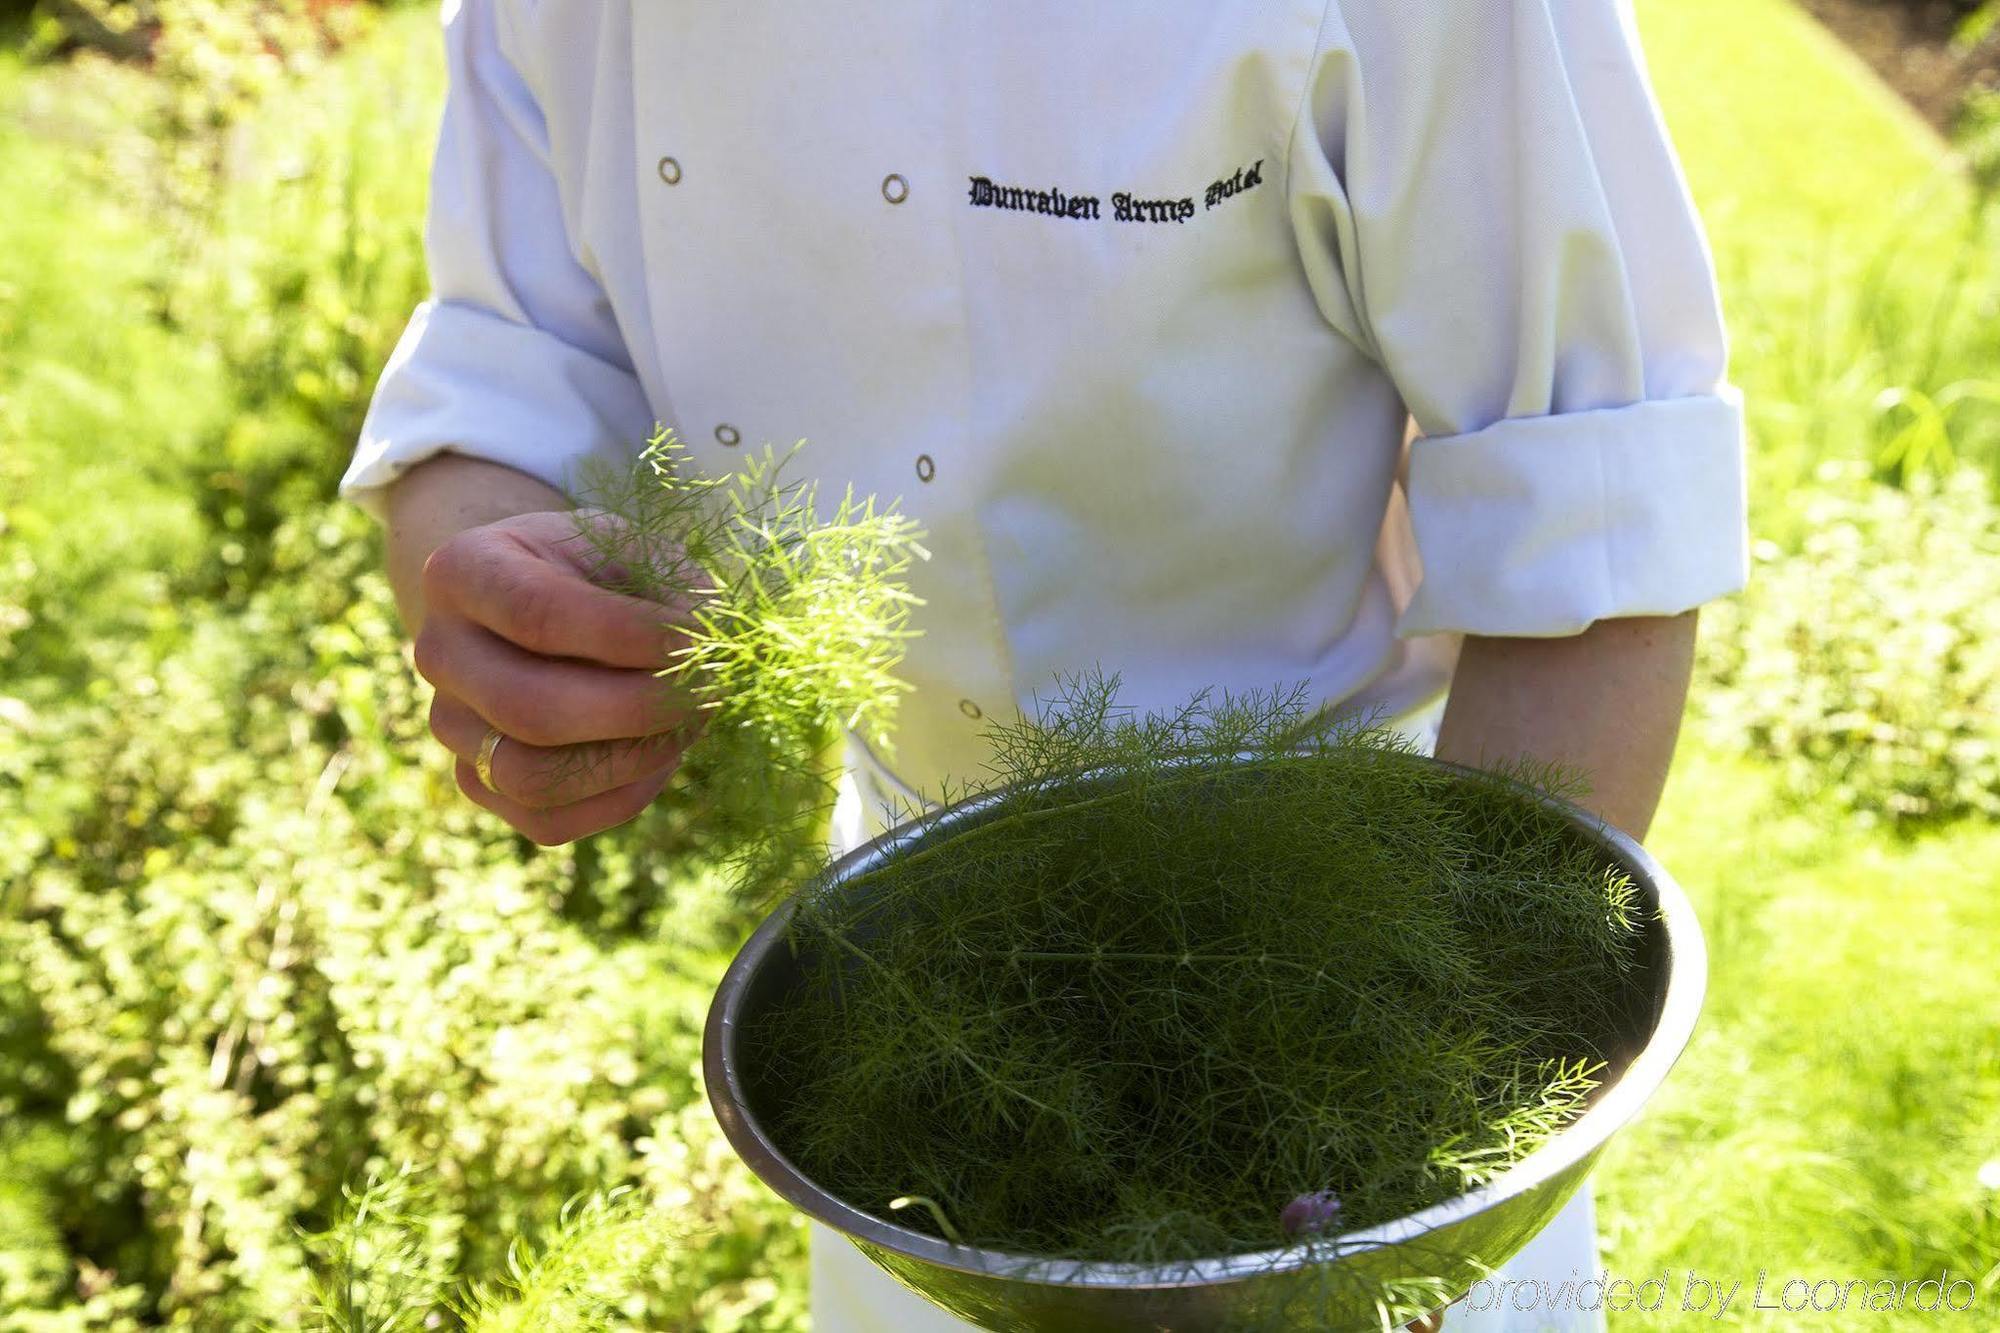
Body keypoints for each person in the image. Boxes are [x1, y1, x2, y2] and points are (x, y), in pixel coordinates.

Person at [341, 2, 1749, 1329]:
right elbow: (514, 351)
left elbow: (1594, 511)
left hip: (1392, 941)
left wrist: (1400, 1165)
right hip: (923, 1016)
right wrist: (502, 594)